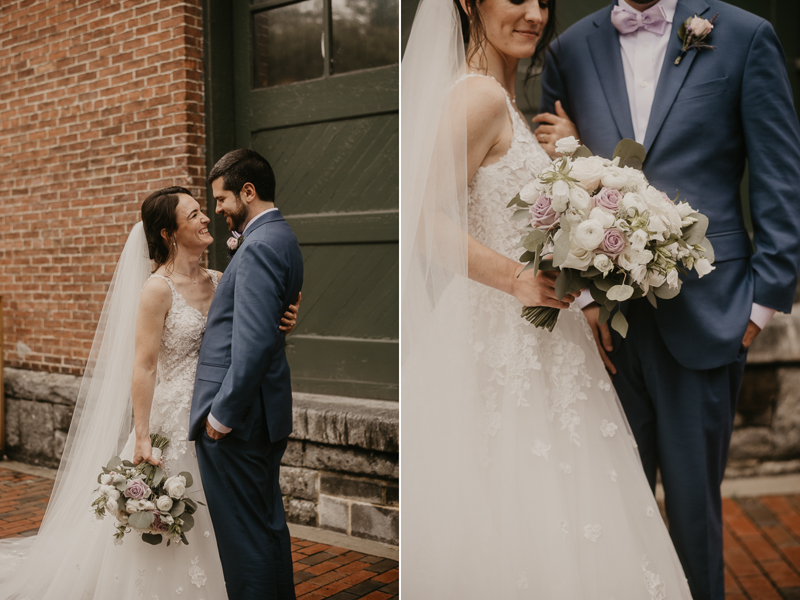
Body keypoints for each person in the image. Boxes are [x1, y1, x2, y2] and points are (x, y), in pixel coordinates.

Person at [402, 0, 693, 597]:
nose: (535, 14)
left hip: (548, 332)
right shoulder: (476, 98)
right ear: (467, 3)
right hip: (502, 332)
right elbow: (426, 224)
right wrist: (513, 278)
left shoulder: (510, 102)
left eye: (543, 2)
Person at [538, 1, 800, 597]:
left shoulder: (745, 36)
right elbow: (550, 178)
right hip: (603, 328)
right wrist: (580, 301)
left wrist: (761, 307)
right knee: (606, 515)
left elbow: (780, 175)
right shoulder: (570, 48)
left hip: (710, 316)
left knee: (692, 520)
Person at [0, 187, 299, 599]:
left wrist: (285, 319)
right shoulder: (157, 290)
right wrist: (142, 434)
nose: (205, 218)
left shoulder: (222, 279)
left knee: (226, 516)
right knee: (174, 514)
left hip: (216, 413)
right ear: (168, 233)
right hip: (172, 420)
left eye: (202, 210)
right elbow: (144, 365)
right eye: (193, 214)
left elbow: (251, 331)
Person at [189, 149, 304, 600]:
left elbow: (253, 343)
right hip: (264, 411)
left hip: (240, 420)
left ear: (248, 192)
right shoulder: (281, 237)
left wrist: (222, 415)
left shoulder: (257, 246)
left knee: (243, 538)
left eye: (220, 200)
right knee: (267, 526)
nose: (216, 210)